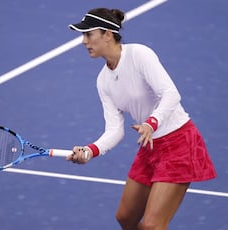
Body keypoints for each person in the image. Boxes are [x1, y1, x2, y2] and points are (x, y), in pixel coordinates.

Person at [66, 8, 216, 230]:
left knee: (152, 226)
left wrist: (151, 122)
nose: (83, 41)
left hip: (179, 143)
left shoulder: (139, 55)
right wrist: (90, 151)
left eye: (88, 34)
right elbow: (115, 130)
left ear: (107, 34)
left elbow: (171, 93)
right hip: (150, 146)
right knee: (125, 217)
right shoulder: (103, 81)